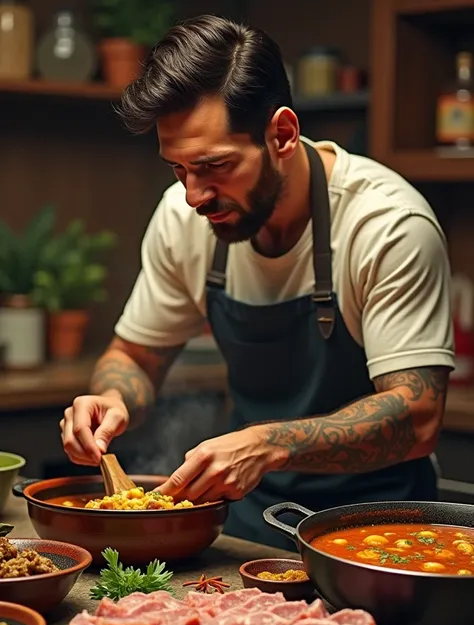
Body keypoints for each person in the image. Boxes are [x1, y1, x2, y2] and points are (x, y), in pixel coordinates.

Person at [60, 15, 454, 550]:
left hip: (379, 533)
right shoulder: (184, 218)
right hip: (248, 528)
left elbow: (418, 415)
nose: (194, 195)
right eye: (178, 169)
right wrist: (110, 398)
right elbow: (135, 355)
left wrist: (268, 444)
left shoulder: (386, 225)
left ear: (283, 135)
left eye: (214, 166)